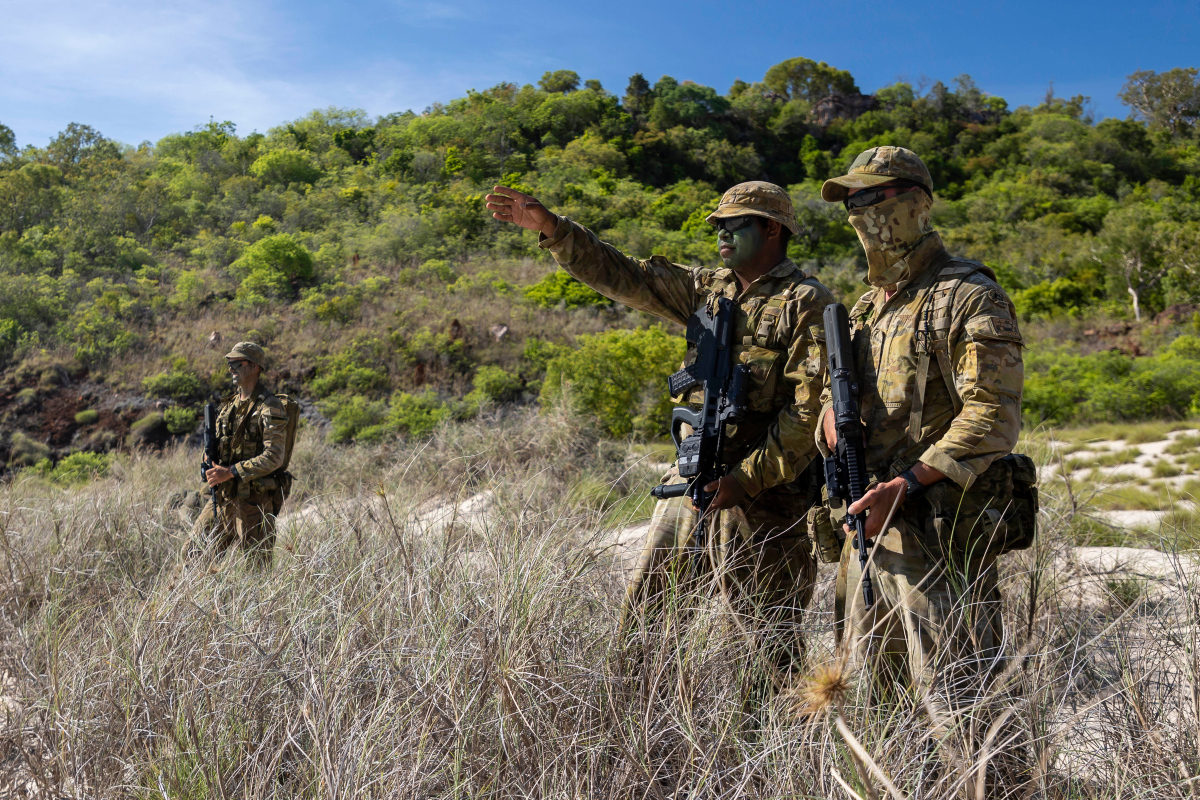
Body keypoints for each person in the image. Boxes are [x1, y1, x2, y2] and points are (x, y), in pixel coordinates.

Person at [486, 181, 835, 700]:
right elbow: (626, 276)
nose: (721, 232)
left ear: (772, 228)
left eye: (734, 223)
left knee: (767, 648)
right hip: (691, 484)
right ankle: (639, 741)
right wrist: (553, 230)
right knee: (647, 625)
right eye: (717, 224)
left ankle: (767, 764)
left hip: (764, 500)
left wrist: (745, 479)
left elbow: (809, 413)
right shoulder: (706, 290)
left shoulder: (806, 302)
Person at [817, 146, 1026, 716]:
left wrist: (905, 485)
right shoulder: (864, 310)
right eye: (852, 202)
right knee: (872, 711)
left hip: (936, 538)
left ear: (917, 204)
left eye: (873, 197)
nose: (861, 213)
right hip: (865, 531)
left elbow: (992, 417)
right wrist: (829, 422)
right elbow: (840, 405)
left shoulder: (968, 293)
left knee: (958, 712)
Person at [191, 341, 291, 568]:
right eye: (229, 363)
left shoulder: (269, 405)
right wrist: (209, 462)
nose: (231, 368)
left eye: (237, 363)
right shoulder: (228, 406)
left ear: (255, 366)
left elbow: (274, 456)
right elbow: (217, 446)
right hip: (223, 497)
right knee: (194, 555)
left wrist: (231, 472)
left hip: (254, 501)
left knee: (256, 570)